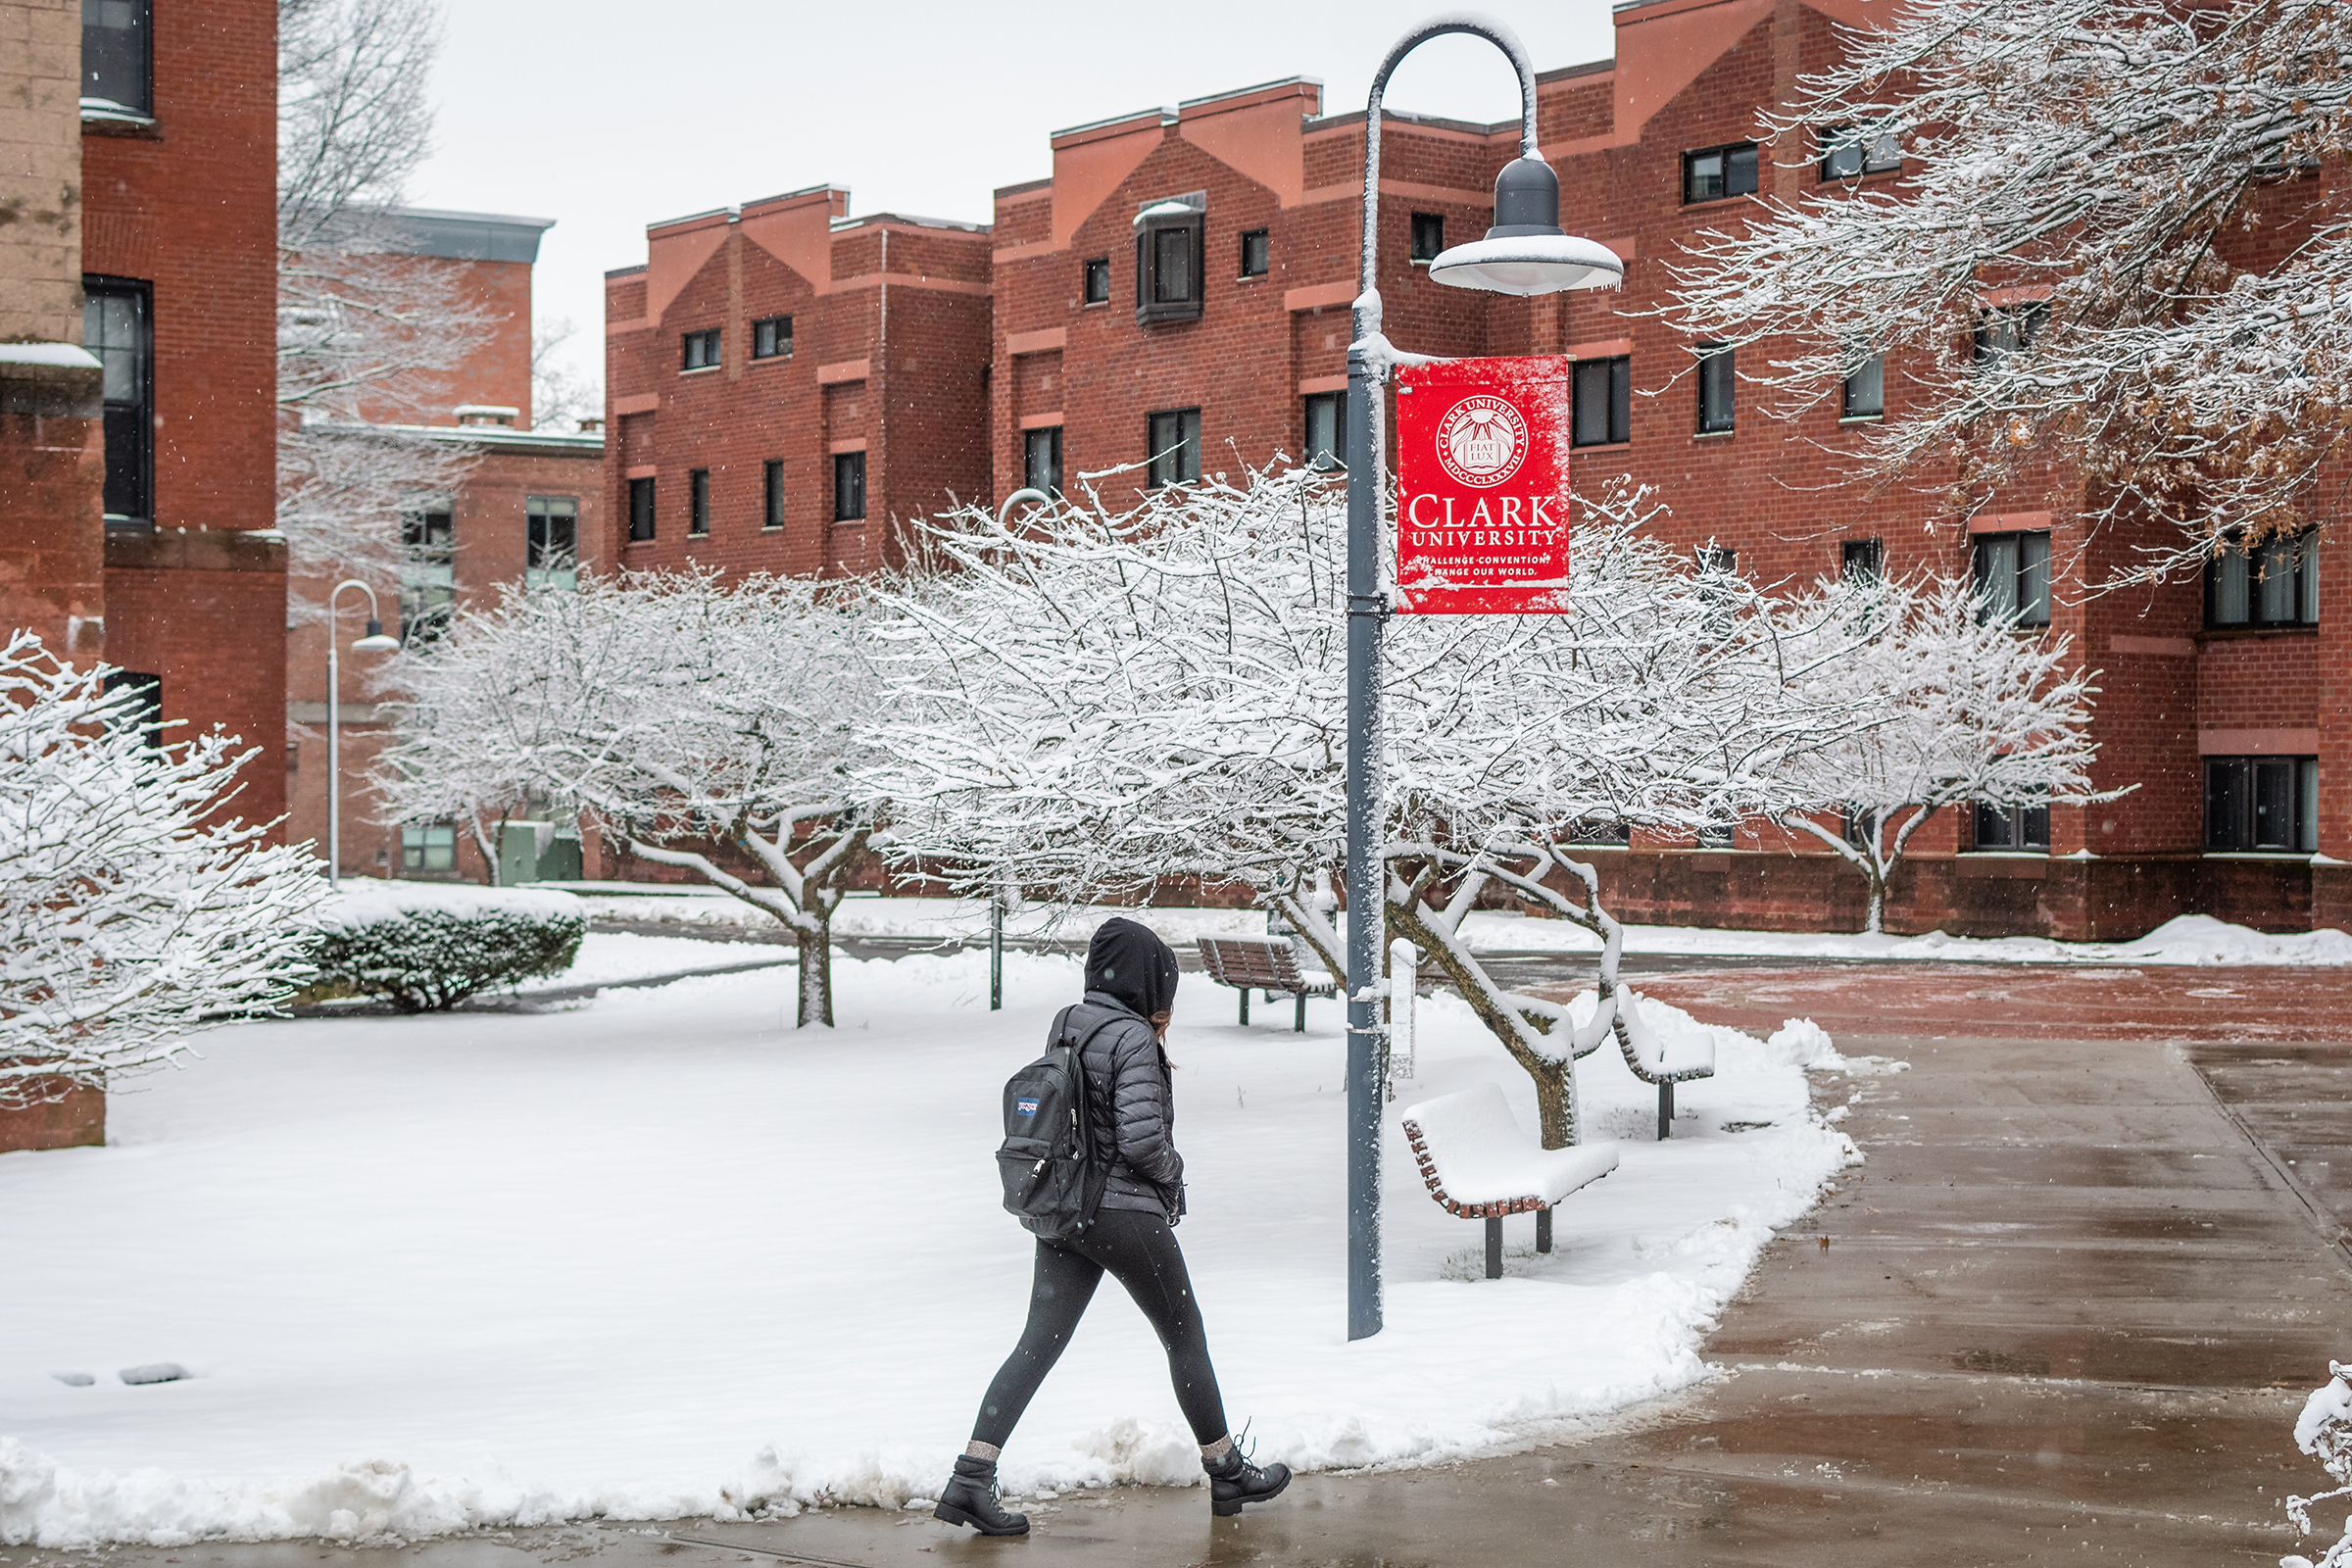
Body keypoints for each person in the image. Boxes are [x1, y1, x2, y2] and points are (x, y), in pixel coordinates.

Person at [934, 917, 1290, 1536]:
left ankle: (969, 1478)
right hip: (1121, 1213)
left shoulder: (1068, 1022)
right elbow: (1142, 1140)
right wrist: (1175, 1170)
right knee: (1184, 1333)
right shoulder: (1133, 1038)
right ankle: (1226, 1470)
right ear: (1149, 983)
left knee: (1037, 1342)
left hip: (1063, 1210)